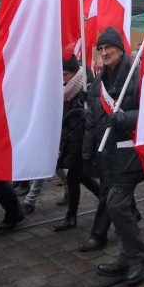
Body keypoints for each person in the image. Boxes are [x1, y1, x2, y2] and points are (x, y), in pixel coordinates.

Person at [83, 27, 144, 286]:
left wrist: (123, 118)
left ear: (121, 49)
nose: (104, 52)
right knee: (125, 206)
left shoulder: (137, 77)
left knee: (117, 205)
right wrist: (87, 152)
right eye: (100, 48)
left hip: (130, 152)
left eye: (108, 47)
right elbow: (91, 120)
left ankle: (138, 256)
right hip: (107, 153)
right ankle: (125, 257)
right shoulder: (98, 83)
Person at [53, 55, 100, 232]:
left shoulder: (88, 85)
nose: (63, 78)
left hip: (83, 141)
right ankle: (123, 207)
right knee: (81, 177)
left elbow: (99, 109)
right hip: (72, 140)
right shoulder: (67, 91)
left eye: (66, 74)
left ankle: (71, 216)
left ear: (74, 73)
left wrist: (89, 99)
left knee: (75, 177)